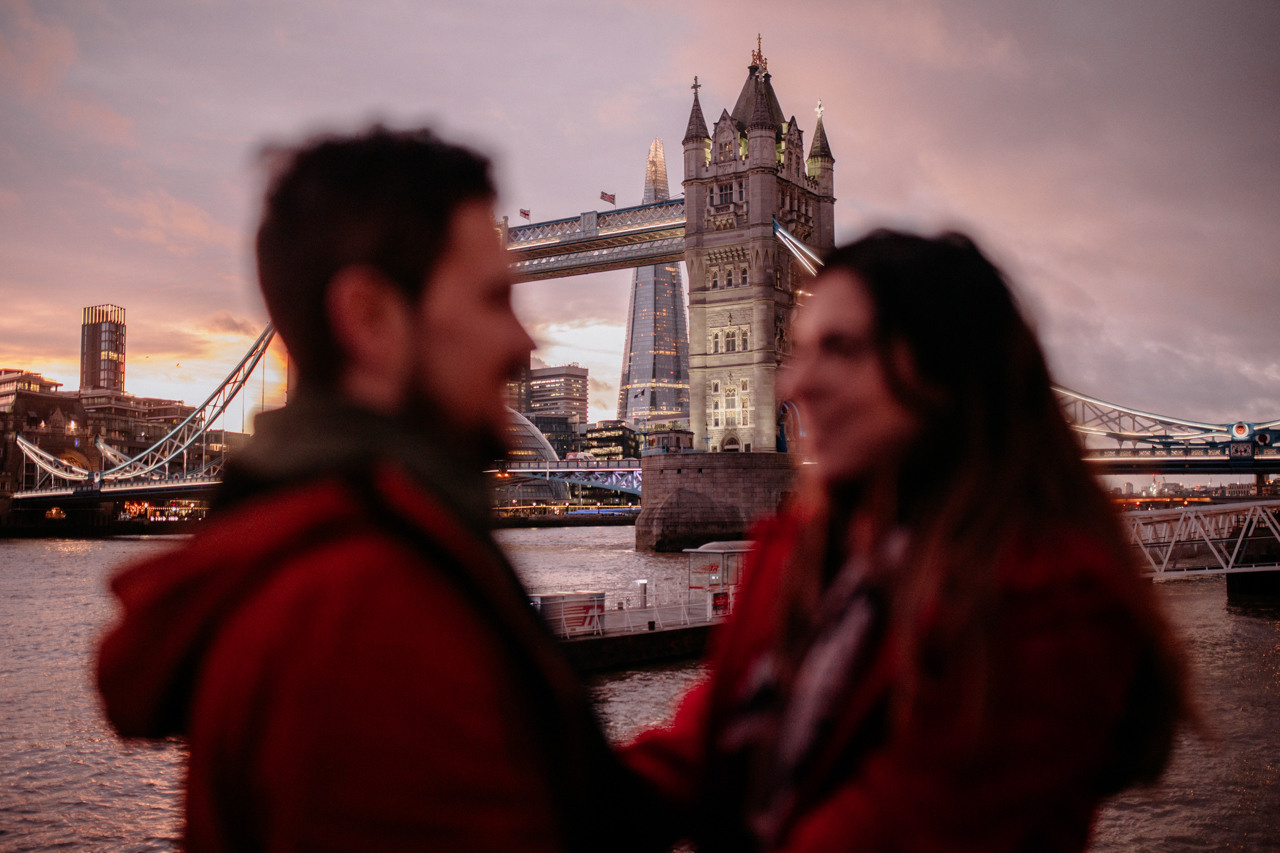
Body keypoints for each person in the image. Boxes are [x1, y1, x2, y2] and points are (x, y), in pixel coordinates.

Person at [97, 126, 644, 852]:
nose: (524, 342)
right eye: (493, 298)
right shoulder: (361, 619)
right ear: (371, 318)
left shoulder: (360, 550)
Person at [623, 230, 1191, 852]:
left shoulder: (1053, 599)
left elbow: (889, 831)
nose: (793, 386)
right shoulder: (794, 549)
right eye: (801, 351)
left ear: (944, 368)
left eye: (840, 349)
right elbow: (695, 755)